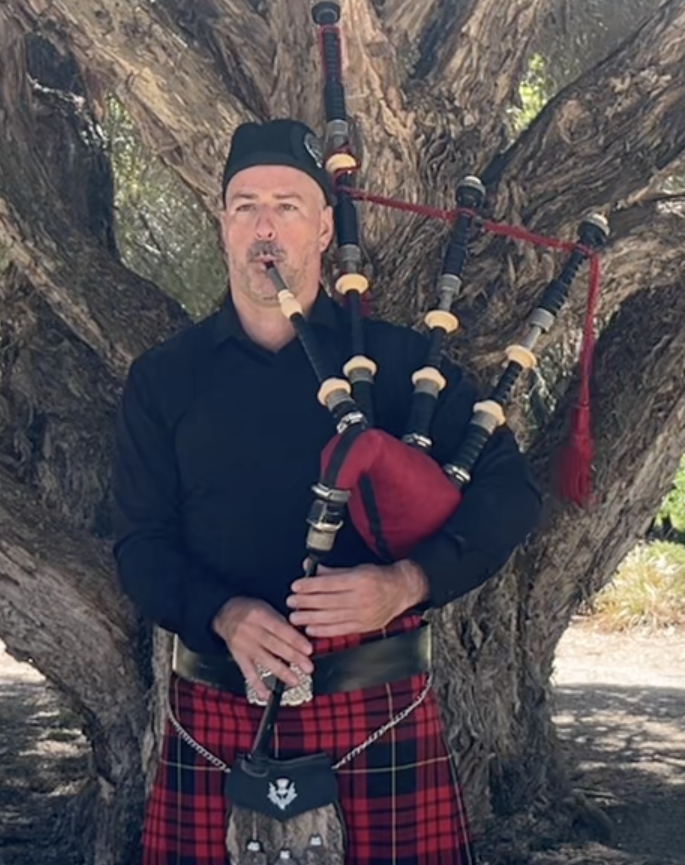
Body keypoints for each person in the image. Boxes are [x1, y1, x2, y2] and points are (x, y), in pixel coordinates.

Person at [113, 118, 543, 865]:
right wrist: (224, 613)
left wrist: (408, 583)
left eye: (287, 204)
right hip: (217, 703)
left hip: (375, 705)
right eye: (245, 205)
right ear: (223, 226)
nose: (264, 225)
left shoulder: (406, 367)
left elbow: (510, 495)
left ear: (321, 231)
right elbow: (138, 544)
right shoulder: (165, 378)